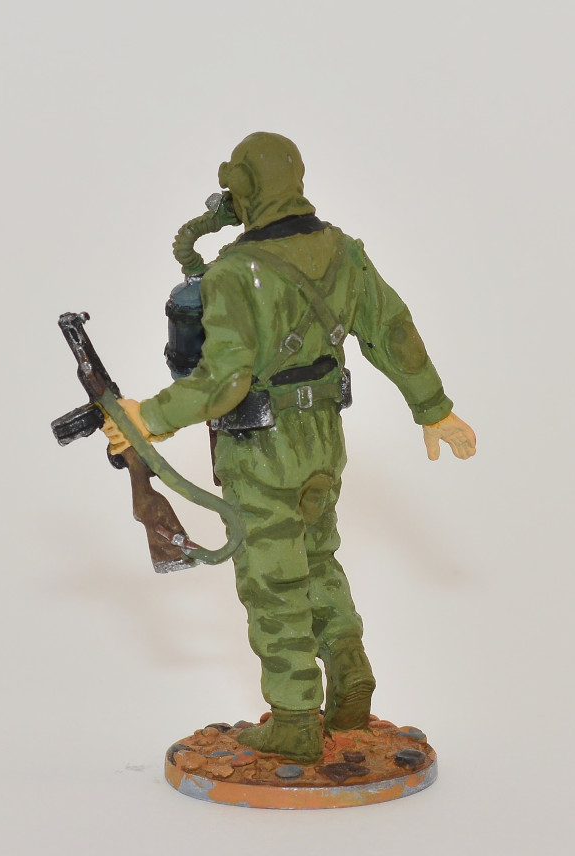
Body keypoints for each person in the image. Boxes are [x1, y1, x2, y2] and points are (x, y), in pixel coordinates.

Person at [103, 132, 476, 764]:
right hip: (324, 439)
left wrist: (149, 418)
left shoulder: (233, 272)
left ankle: (297, 718)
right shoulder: (343, 251)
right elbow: (391, 328)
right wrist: (433, 407)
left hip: (261, 447)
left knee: (273, 580)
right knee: (319, 556)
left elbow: (225, 382)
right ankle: (350, 673)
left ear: (246, 187)